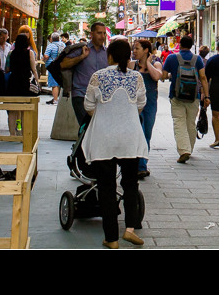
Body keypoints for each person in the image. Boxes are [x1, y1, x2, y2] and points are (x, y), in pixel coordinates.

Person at [82, 38, 148, 249]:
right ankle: (129, 230)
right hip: (130, 138)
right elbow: (141, 105)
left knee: (107, 187)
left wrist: (104, 115)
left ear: (109, 56)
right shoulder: (136, 77)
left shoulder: (98, 76)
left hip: (104, 139)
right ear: (128, 56)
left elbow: (88, 105)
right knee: (130, 184)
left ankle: (111, 238)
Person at [161, 34, 211, 163]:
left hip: (176, 96)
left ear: (180, 45)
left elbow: (163, 76)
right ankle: (190, 148)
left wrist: (173, 75)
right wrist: (206, 96)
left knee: (179, 122)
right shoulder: (197, 59)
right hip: (194, 96)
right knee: (190, 123)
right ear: (191, 46)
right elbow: (203, 78)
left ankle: (184, 150)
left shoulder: (172, 58)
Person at [61, 22, 109, 126]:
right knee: (86, 127)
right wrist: (81, 57)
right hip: (81, 95)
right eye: (99, 33)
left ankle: (83, 142)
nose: (102, 36)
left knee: (97, 129)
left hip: (101, 97)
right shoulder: (81, 49)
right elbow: (63, 64)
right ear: (91, 34)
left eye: (104, 33)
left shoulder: (108, 53)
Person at [132, 39, 163, 179]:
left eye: (137, 48)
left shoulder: (156, 63)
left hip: (150, 104)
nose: (134, 51)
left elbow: (157, 76)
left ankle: (141, 163)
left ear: (146, 50)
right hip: (134, 105)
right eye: (133, 48)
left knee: (147, 134)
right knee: (140, 133)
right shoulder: (131, 65)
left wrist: (147, 64)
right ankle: (141, 166)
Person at [4, 33, 35, 136]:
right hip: (24, 83)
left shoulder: (11, 53)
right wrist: (37, 82)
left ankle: (12, 134)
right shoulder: (29, 53)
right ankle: (22, 133)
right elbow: (33, 69)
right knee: (23, 110)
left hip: (13, 82)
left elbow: (7, 69)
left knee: (12, 110)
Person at [43, 32, 65, 105]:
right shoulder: (62, 44)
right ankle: (59, 98)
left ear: (51, 39)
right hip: (61, 65)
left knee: (54, 84)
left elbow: (46, 56)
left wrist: (43, 59)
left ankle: (55, 100)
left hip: (52, 66)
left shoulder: (51, 46)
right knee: (59, 82)